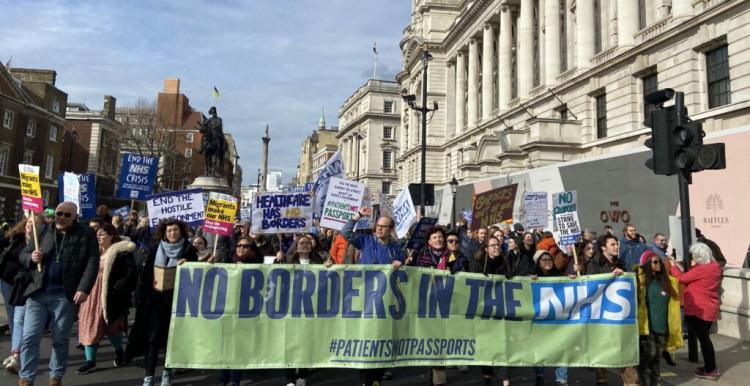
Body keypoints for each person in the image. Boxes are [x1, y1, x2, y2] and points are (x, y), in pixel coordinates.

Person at [18, 202, 100, 386]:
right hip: (38, 292)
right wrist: (31, 258)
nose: (61, 218)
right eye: (58, 213)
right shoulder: (44, 231)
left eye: (66, 215)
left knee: (60, 339)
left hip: (64, 295)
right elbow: (23, 254)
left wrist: (83, 288)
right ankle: (26, 378)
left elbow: (92, 263)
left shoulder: (86, 234)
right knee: (30, 337)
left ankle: (55, 377)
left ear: (75, 217)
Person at [127, 218, 197, 386]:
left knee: (170, 340)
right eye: (169, 231)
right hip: (154, 301)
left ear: (181, 231)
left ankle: (167, 374)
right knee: (152, 340)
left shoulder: (188, 249)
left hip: (176, 302)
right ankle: (148, 376)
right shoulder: (155, 248)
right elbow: (145, 274)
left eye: (176, 230)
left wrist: (188, 265)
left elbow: (197, 273)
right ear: (164, 233)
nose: (173, 233)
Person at [341, 206, 403, 386]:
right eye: (378, 225)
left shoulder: (395, 247)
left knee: (381, 336)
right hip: (366, 297)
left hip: (385, 299)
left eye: (384, 226)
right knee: (367, 336)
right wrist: (358, 215)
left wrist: (400, 263)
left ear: (390, 229)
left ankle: (377, 378)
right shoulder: (366, 241)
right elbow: (345, 232)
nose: (379, 229)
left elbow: (402, 269)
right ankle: (365, 379)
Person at [76, 223, 137, 374]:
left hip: (111, 295)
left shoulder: (120, 252)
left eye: (102, 234)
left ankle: (119, 352)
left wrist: (119, 286)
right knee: (90, 325)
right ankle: (90, 361)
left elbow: (130, 272)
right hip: (91, 294)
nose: (99, 237)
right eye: (97, 235)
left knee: (112, 327)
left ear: (111, 235)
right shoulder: (92, 252)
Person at [406, 226, 461, 386]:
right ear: (429, 241)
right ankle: (433, 373)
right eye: (435, 237)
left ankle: (439, 378)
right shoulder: (421, 255)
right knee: (429, 339)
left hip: (445, 304)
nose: (438, 239)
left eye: (440, 237)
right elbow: (413, 275)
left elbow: (459, 271)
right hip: (426, 303)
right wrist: (408, 263)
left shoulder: (451, 255)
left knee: (441, 340)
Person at [580, 234, 634, 385]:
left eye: (617, 244)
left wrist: (624, 275)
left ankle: (630, 382)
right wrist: (611, 276)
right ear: (603, 247)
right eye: (612, 244)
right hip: (601, 315)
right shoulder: (594, 264)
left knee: (624, 350)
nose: (616, 246)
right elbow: (592, 287)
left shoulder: (621, 263)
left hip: (620, 315)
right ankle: (602, 380)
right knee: (603, 351)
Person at [669, 242, 722, 380]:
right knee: (705, 339)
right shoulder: (714, 267)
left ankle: (711, 369)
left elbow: (681, 278)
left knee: (704, 340)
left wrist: (674, 267)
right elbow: (694, 277)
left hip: (699, 309)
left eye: (694, 256)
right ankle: (709, 367)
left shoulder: (701, 270)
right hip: (710, 307)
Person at [635, 251, 682, 386]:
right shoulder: (642, 284)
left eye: (660, 262)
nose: (659, 264)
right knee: (648, 355)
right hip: (647, 328)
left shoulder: (667, 282)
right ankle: (642, 382)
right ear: (648, 264)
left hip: (662, 327)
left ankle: (654, 382)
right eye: (655, 262)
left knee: (656, 358)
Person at [469, 236, 508, 386]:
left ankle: (505, 379)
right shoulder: (478, 264)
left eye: (497, 245)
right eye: (492, 245)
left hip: (501, 308)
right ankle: (486, 376)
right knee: (485, 344)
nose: (496, 247)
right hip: (484, 309)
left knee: (503, 344)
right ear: (486, 249)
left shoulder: (506, 261)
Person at [0, 217, 37, 374]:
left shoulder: (41, 242)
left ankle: (17, 355)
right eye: (29, 222)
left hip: (25, 285)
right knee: (13, 319)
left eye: (35, 223)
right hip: (7, 282)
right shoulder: (15, 237)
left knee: (19, 319)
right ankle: (16, 353)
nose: (31, 225)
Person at [531, 250, 570, 386]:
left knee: (561, 348)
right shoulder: (532, 277)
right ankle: (540, 375)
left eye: (549, 259)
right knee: (541, 348)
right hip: (540, 320)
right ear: (538, 263)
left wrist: (573, 277)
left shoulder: (559, 277)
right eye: (544, 260)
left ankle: (562, 379)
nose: (548, 262)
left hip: (557, 319)